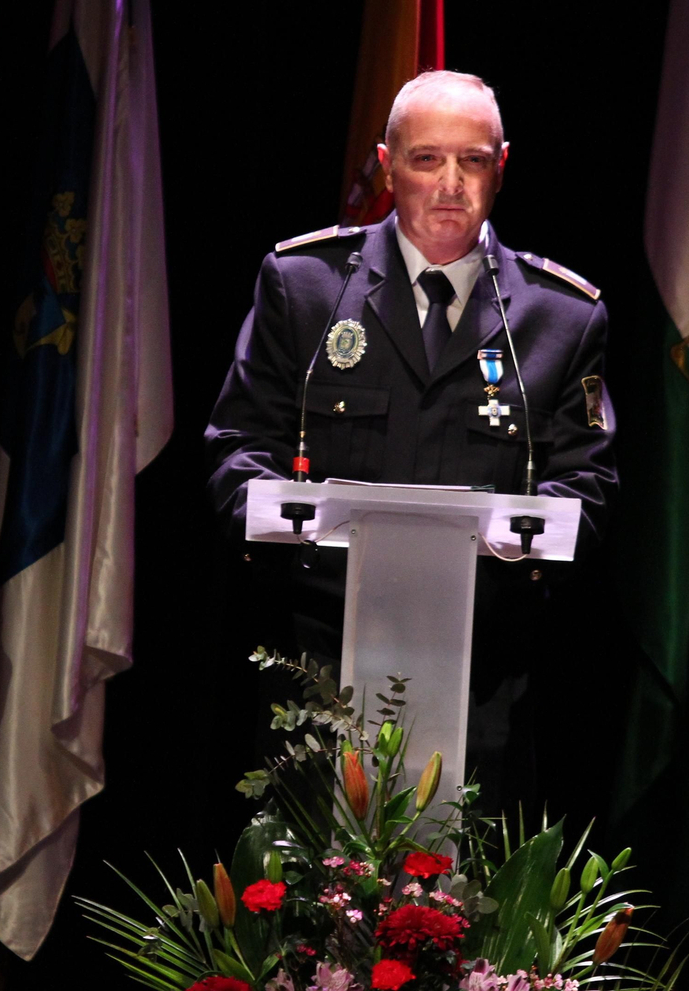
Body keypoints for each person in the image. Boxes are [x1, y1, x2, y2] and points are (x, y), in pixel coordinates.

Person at [205, 71, 617, 812]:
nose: (451, 183)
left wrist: (511, 541)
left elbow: (585, 487)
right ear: (387, 164)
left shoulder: (562, 316)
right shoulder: (304, 287)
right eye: (427, 159)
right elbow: (239, 447)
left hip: (481, 675)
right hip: (317, 670)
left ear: (502, 166)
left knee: (466, 916)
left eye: (474, 160)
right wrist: (287, 522)